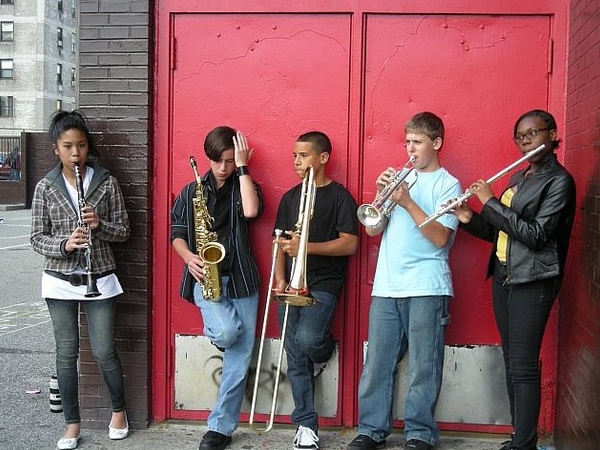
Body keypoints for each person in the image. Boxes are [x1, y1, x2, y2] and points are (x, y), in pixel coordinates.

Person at [452, 109, 576, 450]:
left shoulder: (559, 181)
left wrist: (490, 200)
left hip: (534, 281)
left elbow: (535, 235)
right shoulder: (519, 179)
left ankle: (524, 445)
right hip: (505, 276)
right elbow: (498, 231)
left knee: (523, 367)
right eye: (520, 137)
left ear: (551, 134)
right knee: (512, 362)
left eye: (533, 134)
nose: (526, 142)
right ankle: (520, 438)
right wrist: (468, 216)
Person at [347, 112, 462, 450]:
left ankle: (420, 434)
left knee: (424, 367)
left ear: (436, 143)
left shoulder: (448, 185)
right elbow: (371, 229)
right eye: (407, 142)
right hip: (387, 286)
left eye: (417, 142)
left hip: (427, 286)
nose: (409, 149)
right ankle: (370, 429)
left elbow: (441, 238)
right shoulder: (399, 177)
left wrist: (408, 201)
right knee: (377, 364)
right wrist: (382, 196)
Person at [30, 110, 130, 450]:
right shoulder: (45, 187)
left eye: (82, 146)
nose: (76, 154)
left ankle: (119, 412)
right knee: (66, 353)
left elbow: (125, 230)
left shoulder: (106, 182)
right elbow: (36, 238)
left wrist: (100, 225)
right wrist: (64, 244)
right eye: (68, 146)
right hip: (59, 280)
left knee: (103, 351)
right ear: (56, 149)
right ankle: (72, 423)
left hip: (99, 277)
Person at [171, 126, 264, 450]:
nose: (222, 168)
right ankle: (223, 336)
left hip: (241, 280)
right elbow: (177, 232)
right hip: (204, 277)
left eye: (228, 161)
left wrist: (243, 168)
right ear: (207, 158)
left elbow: (251, 211)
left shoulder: (245, 184)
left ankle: (220, 428)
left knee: (239, 361)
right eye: (217, 161)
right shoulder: (190, 191)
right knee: (227, 334)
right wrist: (188, 258)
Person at [273, 131, 359, 450]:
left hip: (323, 283)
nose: (297, 162)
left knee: (308, 341)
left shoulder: (339, 197)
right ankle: (306, 425)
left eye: (304, 155)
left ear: (323, 158)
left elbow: (350, 243)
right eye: (294, 156)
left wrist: (306, 247)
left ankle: (323, 352)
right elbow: (281, 244)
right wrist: (281, 279)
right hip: (292, 283)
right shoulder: (290, 198)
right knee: (294, 353)